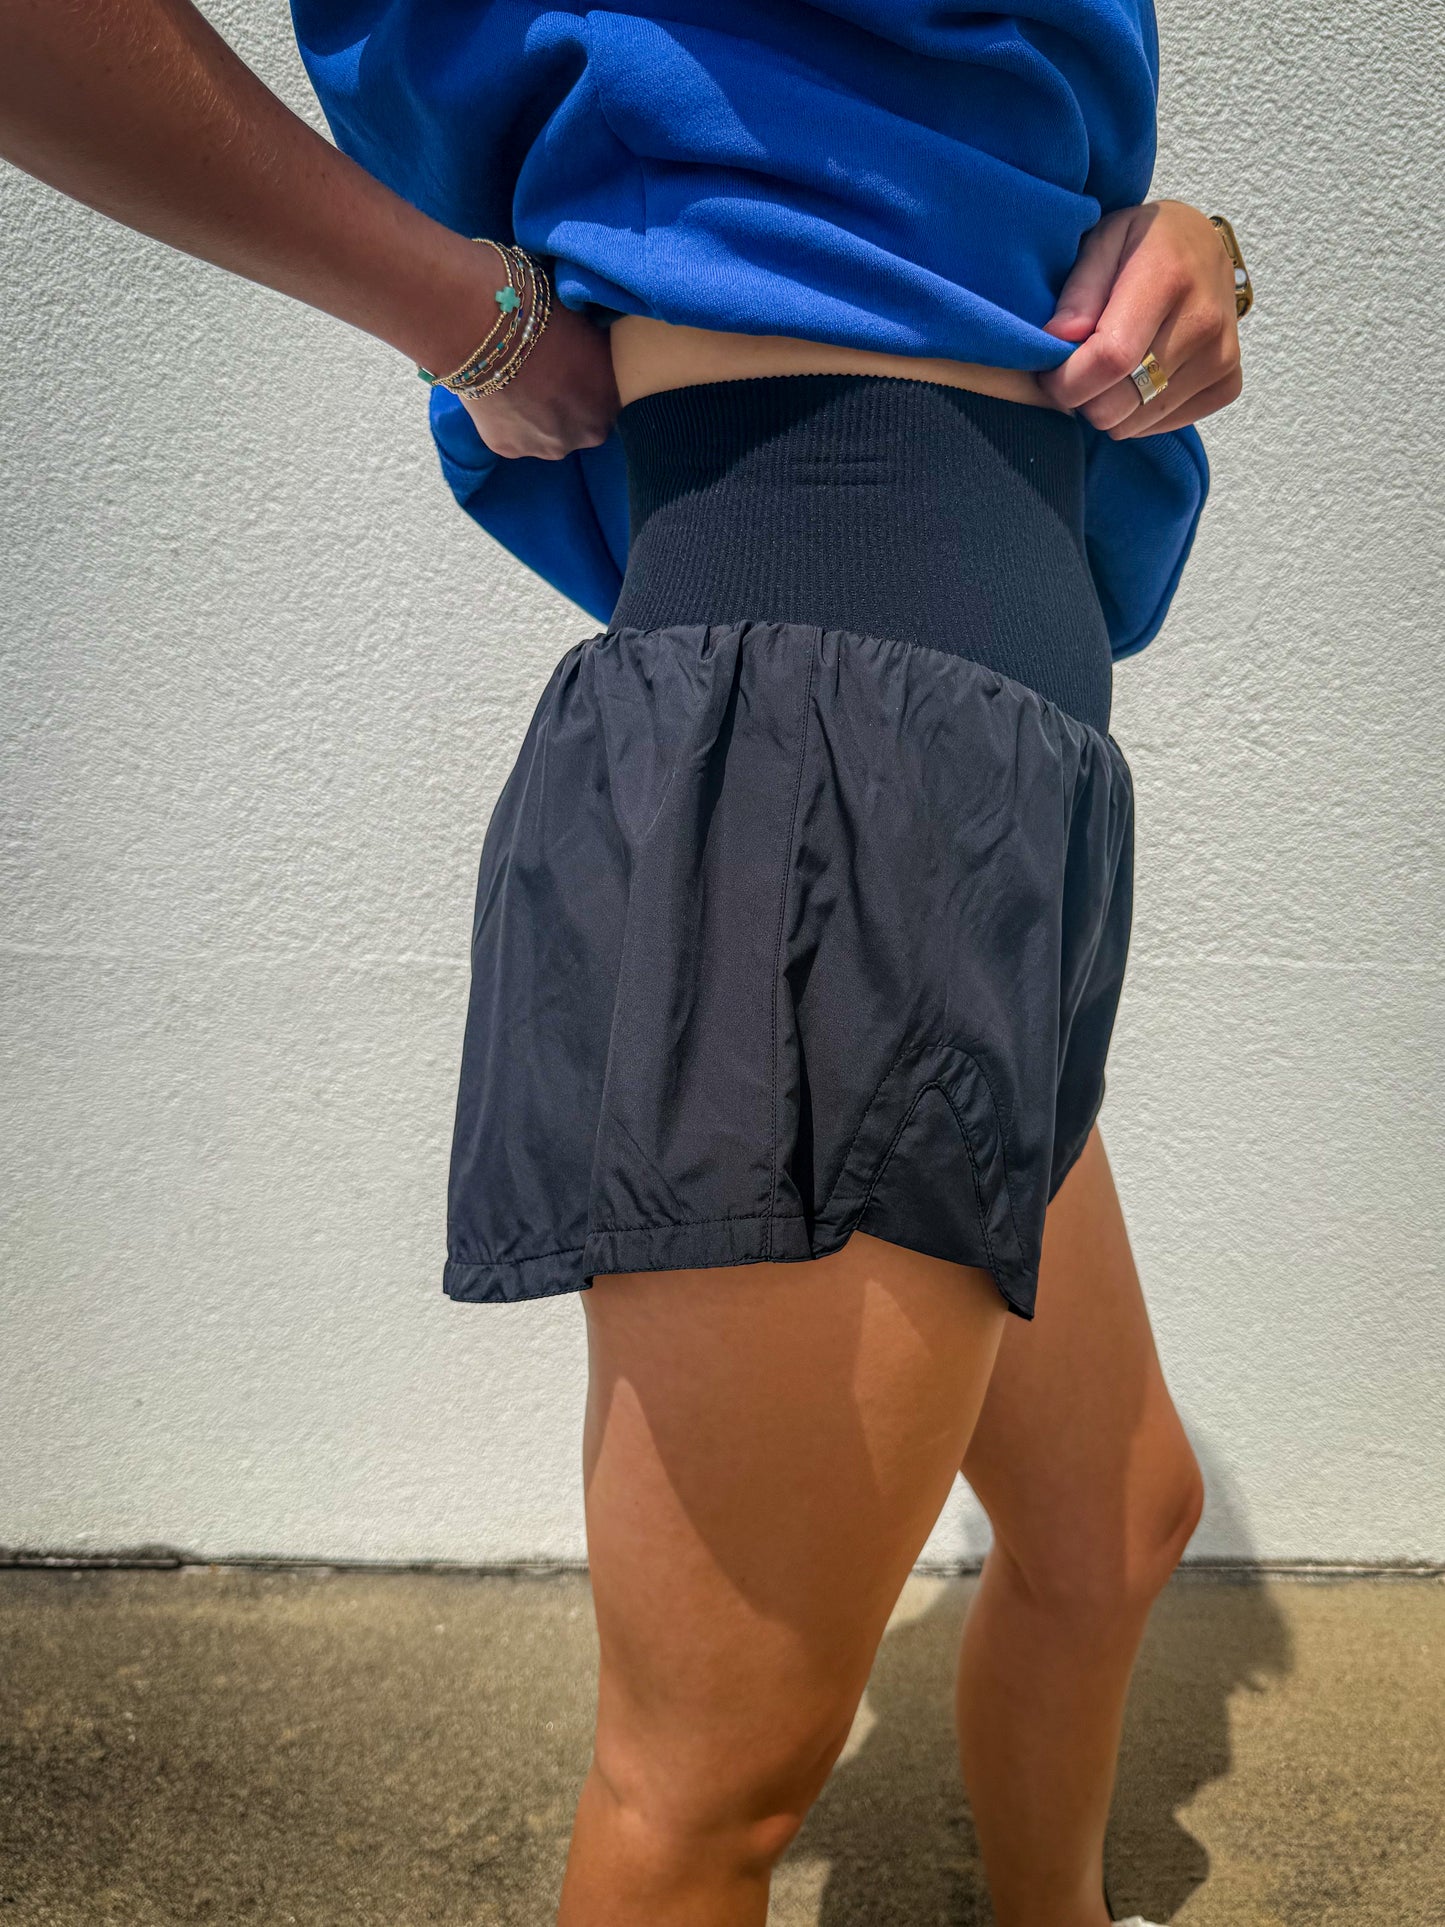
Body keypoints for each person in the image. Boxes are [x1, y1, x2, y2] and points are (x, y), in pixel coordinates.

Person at [1, 4, 1251, 1923]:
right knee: (713, 1777)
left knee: (1118, 1517)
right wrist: (458, 311)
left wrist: (1187, 239)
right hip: (836, 768)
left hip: (996, 779)